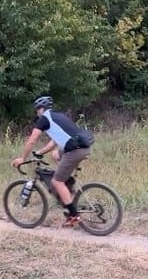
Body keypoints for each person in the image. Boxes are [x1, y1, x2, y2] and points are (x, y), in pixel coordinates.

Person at [11, 95, 94, 227]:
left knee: (56, 181)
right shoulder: (57, 116)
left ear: (41, 109)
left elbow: (32, 140)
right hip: (82, 147)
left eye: (37, 110)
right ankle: (67, 185)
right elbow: (54, 142)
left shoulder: (44, 119)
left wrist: (22, 158)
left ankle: (74, 215)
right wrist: (39, 153)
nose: (37, 113)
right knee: (55, 154)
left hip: (75, 151)